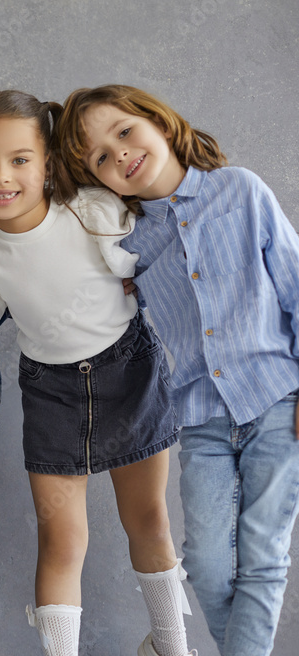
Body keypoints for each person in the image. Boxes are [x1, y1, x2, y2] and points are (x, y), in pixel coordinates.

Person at [57, 83, 299, 656]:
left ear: (158, 121)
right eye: (99, 158)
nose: (119, 154)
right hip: (200, 420)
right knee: (209, 568)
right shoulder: (130, 246)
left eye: (123, 131)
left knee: (262, 560)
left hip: (276, 400)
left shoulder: (240, 191)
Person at [0, 90, 193, 656]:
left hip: (127, 369)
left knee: (150, 520)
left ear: (49, 162)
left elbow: (139, 265)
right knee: (61, 537)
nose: (1, 176)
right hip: (51, 390)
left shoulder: (90, 209)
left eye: (20, 159)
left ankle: (171, 646)